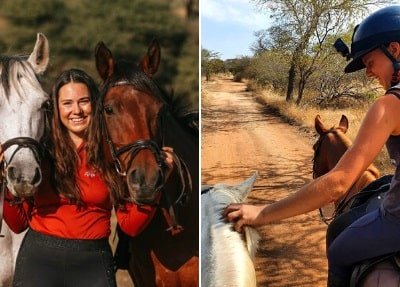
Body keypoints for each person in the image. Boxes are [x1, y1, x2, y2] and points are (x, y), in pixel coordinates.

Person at [224, 5, 400, 287]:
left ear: (395, 49)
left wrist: (263, 212)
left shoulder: (389, 105)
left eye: (370, 63)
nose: (369, 73)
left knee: (340, 251)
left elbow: (339, 183)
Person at [2, 68, 174, 287]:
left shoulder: (112, 156)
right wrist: (5, 180)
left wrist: (156, 187)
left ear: (96, 103)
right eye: (67, 103)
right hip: (39, 262)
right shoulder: (41, 153)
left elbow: (130, 226)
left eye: (84, 101)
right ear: (56, 108)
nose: (76, 110)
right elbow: (18, 223)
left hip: (92, 263)